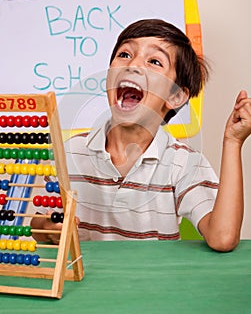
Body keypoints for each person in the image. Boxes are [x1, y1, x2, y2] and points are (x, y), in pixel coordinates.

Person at [31, 19, 251, 252]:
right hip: (87, 283)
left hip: (153, 283)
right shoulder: (69, 152)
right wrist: (48, 227)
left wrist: (233, 142)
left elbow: (223, 238)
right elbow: (37, 224)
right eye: (125, 54)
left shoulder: (183, 163)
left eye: (154, 61)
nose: (133, 65)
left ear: (175, 97)